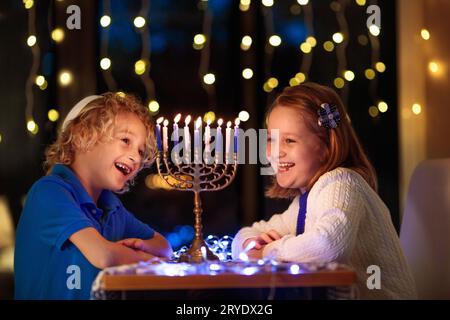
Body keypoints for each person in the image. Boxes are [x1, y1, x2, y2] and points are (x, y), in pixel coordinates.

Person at [231, 83, 416, 299]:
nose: (275, 152)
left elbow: (327, 246)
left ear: (327, 146)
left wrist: (266, 251)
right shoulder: (305, 201)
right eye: (271, 139)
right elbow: (244, 236)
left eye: (290, 140)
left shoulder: (341, 182)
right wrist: (249, 245)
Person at [14, 93, 172, 299]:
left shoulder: (112, 207)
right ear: (82, 136)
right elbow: (104, 255)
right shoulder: (49, 192)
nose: (135, 157)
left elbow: (164, 247)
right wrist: (148, 260)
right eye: (125, 140)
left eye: (141, 152)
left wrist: (142, 247)